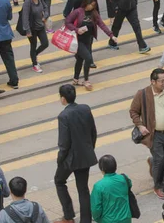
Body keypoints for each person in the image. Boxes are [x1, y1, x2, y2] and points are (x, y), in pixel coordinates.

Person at [129, 68, 164, 199]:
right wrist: (140, 126)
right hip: (154, 134)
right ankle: (158, 186)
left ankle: (153, 164)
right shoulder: (143, 94)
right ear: (153, 81)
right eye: (161, 81)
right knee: (161, 160)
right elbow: (133, 111)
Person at [54, 84, 98, 223]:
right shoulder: (85, 109)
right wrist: (90, 149)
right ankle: (86, 220)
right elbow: (93, 133)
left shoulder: (63, 116)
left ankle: (68, 216)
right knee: (83, 189)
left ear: (63, 99)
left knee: (59, 181)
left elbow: (64, 143)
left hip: (69, 159)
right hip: (85, 156)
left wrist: (60, 158)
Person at [65, 0, 117, 91]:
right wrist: (76, 29)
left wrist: (111, 35)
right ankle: (86, 80)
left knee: (80, 60)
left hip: (88, 40)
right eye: (90, 5)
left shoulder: (94, 13)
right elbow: (67, 22)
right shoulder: (78, 11)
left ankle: (75, 79)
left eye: (93, 5)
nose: (91, 7)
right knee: (88, 58)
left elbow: (101, 24)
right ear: (86, 3)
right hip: (78, 40)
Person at [90, 155, 132, 223]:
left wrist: (97, 219)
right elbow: (129, 186)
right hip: (126, 218)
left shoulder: (98, 186)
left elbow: (96, 208)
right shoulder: (124, 178)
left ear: (102, 169)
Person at [22, 0, 48, 73]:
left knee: (45, 43)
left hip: (40, 26)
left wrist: (45, 16)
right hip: (32, 28)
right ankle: (35, 63)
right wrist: (28, 31)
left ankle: (34, 54)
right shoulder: (27, 2)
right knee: (33, 45)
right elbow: (24, 18)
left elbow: (45, 8)